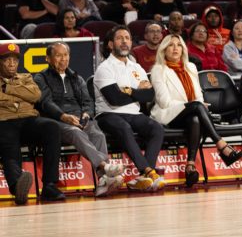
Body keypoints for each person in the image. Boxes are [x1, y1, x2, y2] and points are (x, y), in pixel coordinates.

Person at [150, 34, 242, 187]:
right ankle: (221, 145)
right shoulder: (158, 70)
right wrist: (193, 105)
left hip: (191, 113)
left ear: (183, 49)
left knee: (195, 117)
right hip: (168, 113)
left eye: (179, 45)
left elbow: (198, 96)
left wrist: (196, 105)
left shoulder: (191, 67)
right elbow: (164, 102)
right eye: (171, 45)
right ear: (163, 50)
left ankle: (190, 166)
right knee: (196, 107)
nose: (175, 48)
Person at [35, 42, 125, 196]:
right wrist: (63, 116)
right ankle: (104, 166)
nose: (63, 59)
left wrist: (86, 114)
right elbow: (45, 103)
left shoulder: (76, 77)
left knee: (98, 134)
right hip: (56, 120)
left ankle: (103, 180)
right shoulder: (40, 78)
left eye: (65, 55)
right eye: (58, 55)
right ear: (48, 58)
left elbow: (87, 101)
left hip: (79, 117)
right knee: (76, 133)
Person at [94, 26, 165, 191]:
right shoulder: (104, 68)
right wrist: (138, 91)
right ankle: (148, 172)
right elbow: (115, 99)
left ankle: (142, 178)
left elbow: (149, 96)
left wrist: (129, 90)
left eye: (127, 38)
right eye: (120, 38)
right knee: (124, 127)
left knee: (157, 128)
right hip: (108, 114)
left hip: (133, 112)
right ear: (111, 44)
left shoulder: (136, 67)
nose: (125, 41)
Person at [0, 41, 65, 204]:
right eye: (6, 59)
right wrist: (21, 93)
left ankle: (49, 185)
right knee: (9, 145)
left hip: (29, 119)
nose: (11, 63)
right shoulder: (24, 82)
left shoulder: (26, 77)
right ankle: (17, 188)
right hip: (4, 121)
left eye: (15, 59)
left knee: (52, 127)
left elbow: (35, 95)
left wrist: (8, 90)